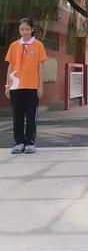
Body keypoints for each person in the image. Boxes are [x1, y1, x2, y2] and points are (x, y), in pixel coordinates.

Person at [4, 18, 48, 154]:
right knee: (17, 116)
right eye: (22, 29)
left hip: (31, 86)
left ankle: (30, 142)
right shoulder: (14, 46)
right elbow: (11, 66)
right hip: (16, 86)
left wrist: (40, 86)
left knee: (30, 116)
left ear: (32, 29)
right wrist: (7, 85)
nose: (24, 32)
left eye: (27, 29)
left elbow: (40, 67)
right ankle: (19, 143)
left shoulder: (38, 45)